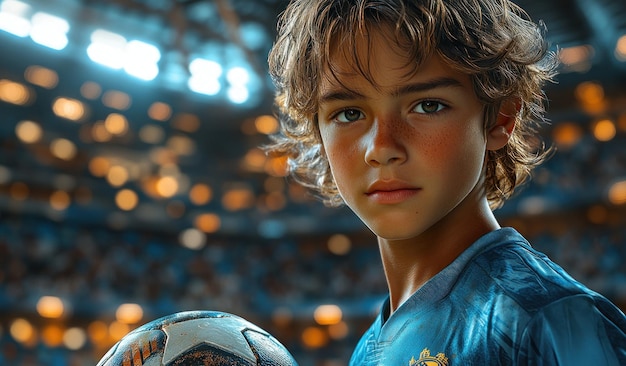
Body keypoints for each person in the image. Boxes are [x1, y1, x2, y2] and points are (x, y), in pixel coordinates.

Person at [267, 0, 626, 364]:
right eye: (349, 113)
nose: (381, 148)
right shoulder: (368, 350)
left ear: (500, 117)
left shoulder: (551, 321)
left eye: (427, 106)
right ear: (319, 132)